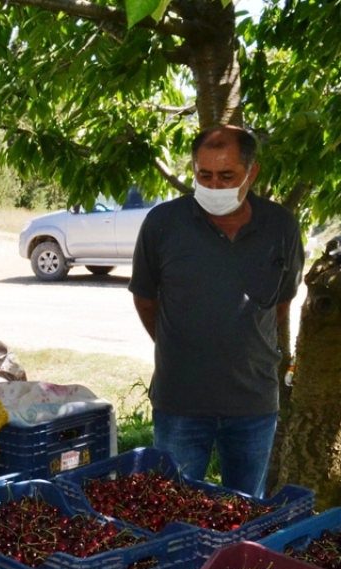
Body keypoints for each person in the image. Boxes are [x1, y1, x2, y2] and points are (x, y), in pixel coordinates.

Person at [128, 126, 304, 498]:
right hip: (180, 403)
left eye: (227, 176)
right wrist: (179, 344)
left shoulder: (281, 226)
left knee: (244, 514)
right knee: (171, 507)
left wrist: (242, 345)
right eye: (203, 175)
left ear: (251, 173)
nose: (214, 185)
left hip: (253, 404)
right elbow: (145, 299)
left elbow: (280, 303)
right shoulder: (163, 224)